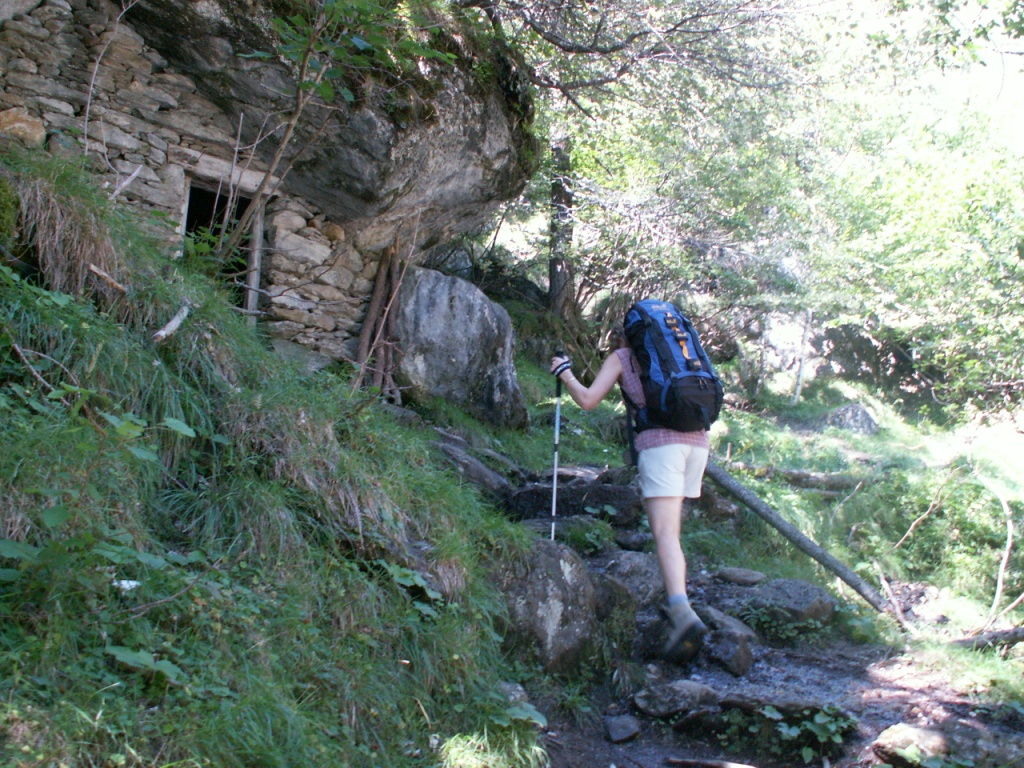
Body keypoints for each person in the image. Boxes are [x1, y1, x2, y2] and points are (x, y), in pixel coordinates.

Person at [550, 327, 710, 660]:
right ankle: (677, 604)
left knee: (665, 534)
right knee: (672, 533)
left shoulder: (623, 357)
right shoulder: (682, 355)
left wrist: (564, 373)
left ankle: (681, 611)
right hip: (697, 444)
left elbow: (588, 400)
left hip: (662, 445)